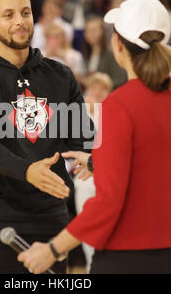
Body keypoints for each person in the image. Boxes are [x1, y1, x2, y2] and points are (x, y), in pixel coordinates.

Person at [18, 0, 171, 274]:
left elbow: (108, 203)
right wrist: (98, 162)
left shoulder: (118, 104)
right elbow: (158, 163)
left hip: (128, 253)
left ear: (117, 44)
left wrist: (53, 250)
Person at [0, 0, 93, 274]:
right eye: (8, 15)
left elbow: (81, 134)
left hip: (51, 217)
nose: (19, 21)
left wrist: (90, 156)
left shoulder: (60, 74)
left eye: (25, 13)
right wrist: (27, 171)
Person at [73, 72, 113, 273]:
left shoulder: (114, 114)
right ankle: (91, 268)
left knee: (106, 231)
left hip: (106, 179)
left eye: (103, 88)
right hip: (84, 178)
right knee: (85, 228)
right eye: (94, 87)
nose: (97, 92)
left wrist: (97, 112)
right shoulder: (77, 113)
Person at [83, 16, 127, 90]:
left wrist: (103, 84)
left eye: (94, 30)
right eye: (88, 31)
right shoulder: (86, 56)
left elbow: (119, 80)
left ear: (102, 31)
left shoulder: (111, 55)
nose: (91, 34)